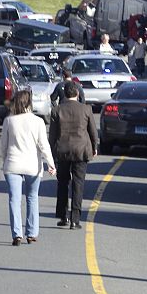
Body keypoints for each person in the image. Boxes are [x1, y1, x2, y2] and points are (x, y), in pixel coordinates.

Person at [1, 91, 56, 246]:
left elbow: (3, 146)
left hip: (13, 164)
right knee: (32, 198)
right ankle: (31, 233)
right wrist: (51, 163)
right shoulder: (38, 122)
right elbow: (44, 146)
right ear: (29, 103)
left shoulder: (9, 121)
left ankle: (17, 234)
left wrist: (5, 161)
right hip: (33, 165)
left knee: (14, 199)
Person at [49, 81, 98, 230]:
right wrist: (94, 147)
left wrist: (51, 153)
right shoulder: (86, 109)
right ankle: (75, 219)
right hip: (81, 150)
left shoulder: (57, 110)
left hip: (62, 151)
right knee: (78, 184)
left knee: (63, 183)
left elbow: (52, 135)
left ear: (64, 94)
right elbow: (93, 132)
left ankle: (63, 216)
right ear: (77, 93)